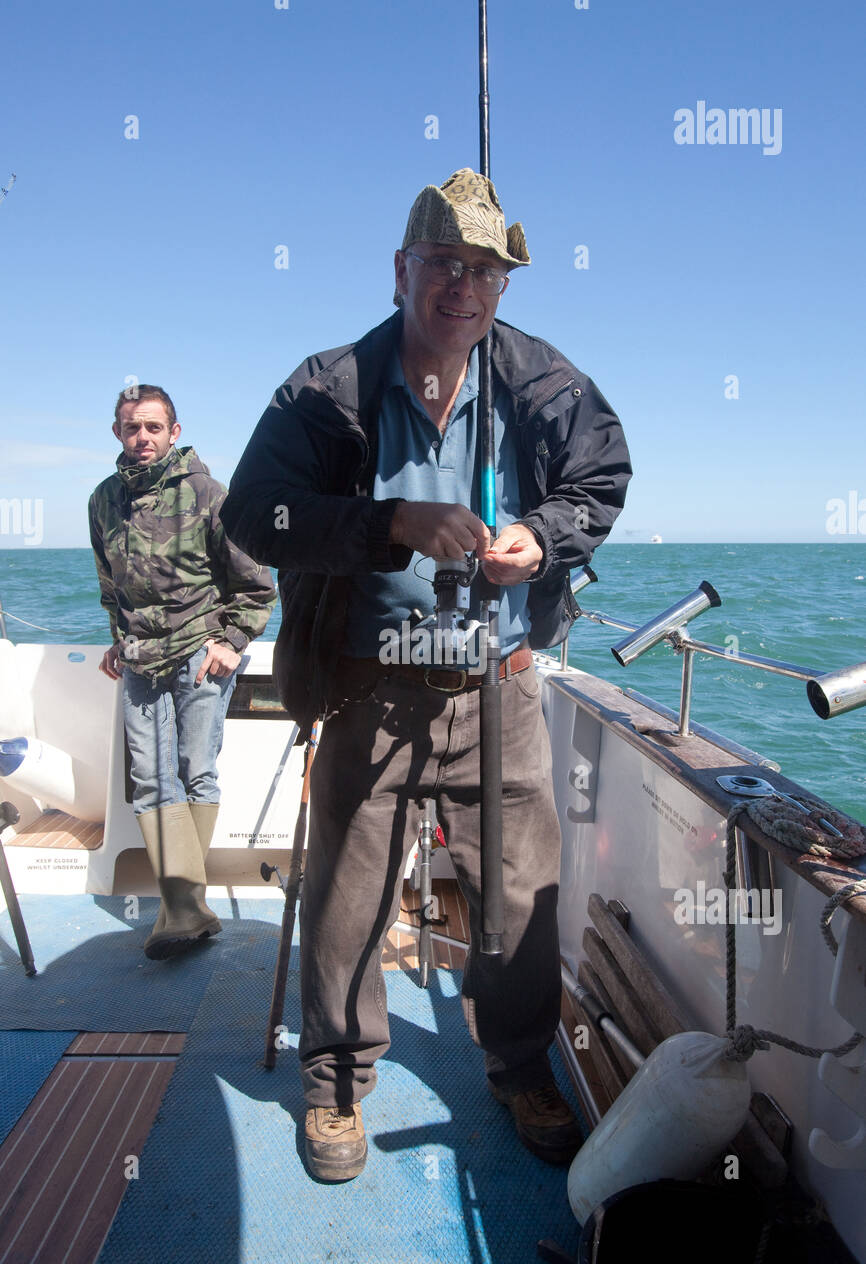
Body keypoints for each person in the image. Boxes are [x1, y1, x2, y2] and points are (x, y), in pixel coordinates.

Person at [221, 169, 632, 1181]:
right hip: (369, 681)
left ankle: (519, 1063)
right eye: (443, 264)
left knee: (519, 893)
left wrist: (539, 536)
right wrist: (387, 525)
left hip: (500, 681)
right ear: (400, 269)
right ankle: (334, 1080)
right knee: (348, 895)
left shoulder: (543, 382)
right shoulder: (326, 387)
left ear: (504, 286)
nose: (464, 286)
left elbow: (601, 477)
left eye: (486, 270)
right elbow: (252, 513)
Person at [89, 385, 276, 960]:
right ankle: (186, 912)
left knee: (197, 768)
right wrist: (118, 640)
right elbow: (108, 583)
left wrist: (234, 640)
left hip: (201, 650)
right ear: (117, 433)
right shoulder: (103, 500)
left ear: (174, 431)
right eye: (130, 428)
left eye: (152, 427)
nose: (141, 438)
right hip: (141, 657)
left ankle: (181, 910)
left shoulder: (208, 493)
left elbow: (255, 581)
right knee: (150, 777)